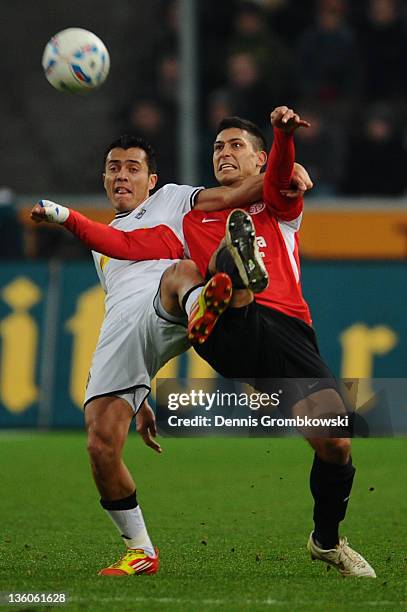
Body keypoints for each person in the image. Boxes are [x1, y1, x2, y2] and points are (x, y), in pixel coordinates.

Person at [31, 130, 311, 577]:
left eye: (133, 168)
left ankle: (205, 302)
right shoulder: (108, 241)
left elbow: (236, 191)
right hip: (125, 326)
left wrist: (284, 173)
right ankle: (140, 550)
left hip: (173, 299)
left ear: (152, 179)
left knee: (181, 270)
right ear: (104, 178)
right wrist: (139, 396)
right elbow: (119, 256)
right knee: (101, 444)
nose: (122, 176)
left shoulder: (176, 200)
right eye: (114, 168)